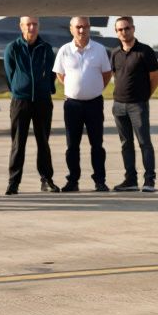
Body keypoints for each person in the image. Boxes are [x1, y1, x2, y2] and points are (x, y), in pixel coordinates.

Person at [53, 16, 113, 192]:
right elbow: (60, 75)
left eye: (85, 26)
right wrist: (75, 88)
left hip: (94, 104)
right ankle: (73, 180)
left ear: (89, 28)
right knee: (72, 145)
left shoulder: (99, 49)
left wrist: (92, 88)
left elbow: (107, 74)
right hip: (72, 105)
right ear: (71, 29)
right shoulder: (64, 50)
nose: (82, 30)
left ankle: (100, 180)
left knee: (97, 144)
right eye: (78, 27)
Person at [3, 16, 60, 195]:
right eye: (28, 24)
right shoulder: (13, 48)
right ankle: (13, 183)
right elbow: (9, 72)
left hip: (42, 101)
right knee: (18, 143)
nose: (32, 27)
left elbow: (52, 72)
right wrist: (20, 89)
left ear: (38, 26)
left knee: (43, 142)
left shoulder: (46, 48)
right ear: (21, 26)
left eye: (35, 24)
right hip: (21, 101)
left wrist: (44, 88)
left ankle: (46, 179)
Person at [109, 16, 158, 192]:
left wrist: (145, 95)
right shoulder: (115, 53)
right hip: (118, 106)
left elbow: (155, 77)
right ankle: (130, 180)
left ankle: (149, 181)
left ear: (133, 29)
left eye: (126, 28)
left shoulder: (145, 51)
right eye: (120, 30)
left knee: (144, 142)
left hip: (137, 105)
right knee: (125, 144)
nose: (124, 32)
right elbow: (115, 75)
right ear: (116, 32)